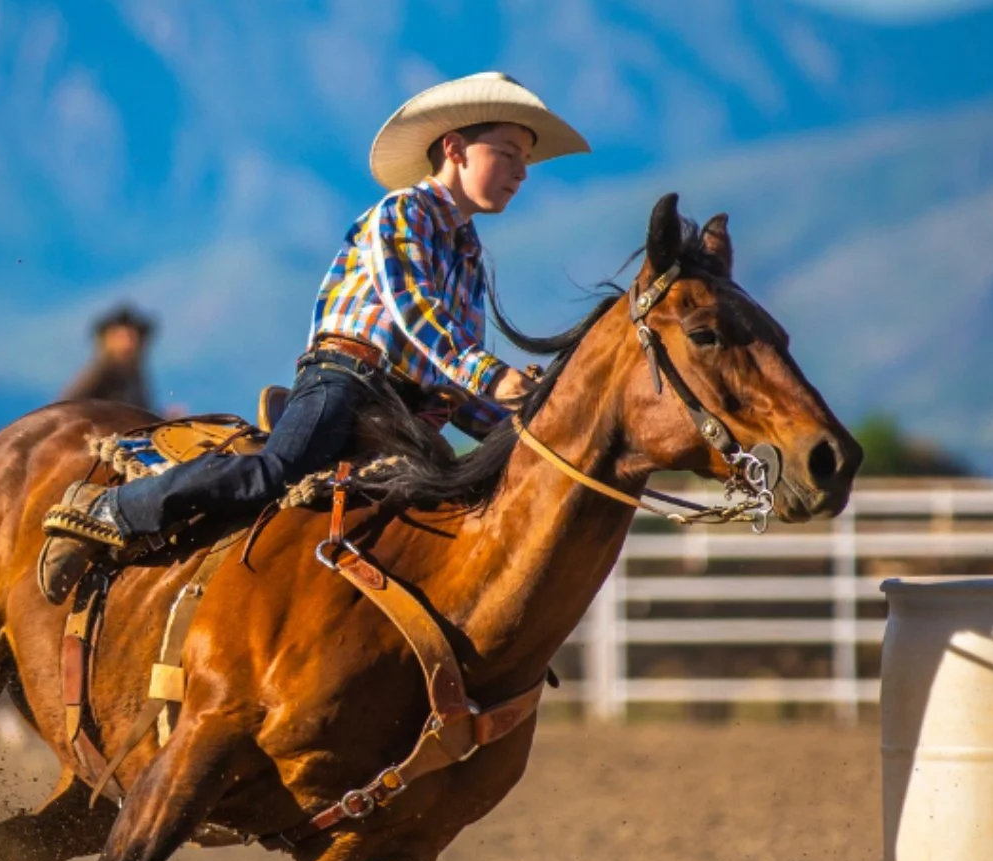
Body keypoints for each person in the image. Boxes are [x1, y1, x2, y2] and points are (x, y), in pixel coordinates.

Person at [39, 71, 589, 600]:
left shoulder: (469, 256)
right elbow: (416, 311)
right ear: (454, 149)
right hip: (346, 379)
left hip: (406, 413)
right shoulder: (404, 213)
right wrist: (494, 378)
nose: (521, 172)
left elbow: (457, 380)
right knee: (276, 471)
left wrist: (530, 430)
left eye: (526, 160)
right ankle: (115, 509)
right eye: (508, 154)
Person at [60, 304, 158, 412]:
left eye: (131, 337)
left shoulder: (135, 377)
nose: (127, 344)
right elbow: (65, 409)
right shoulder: (97, 372)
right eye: (120, 337)